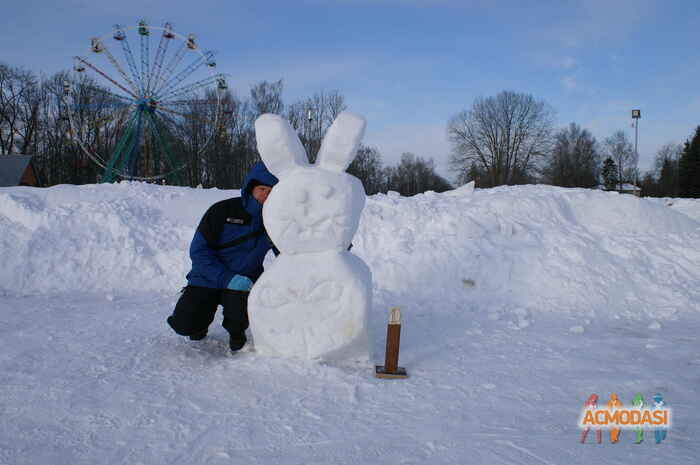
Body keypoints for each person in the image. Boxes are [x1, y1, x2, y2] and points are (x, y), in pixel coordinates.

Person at [167, 161, 278, 352]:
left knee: (238, 314)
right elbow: (199, 252)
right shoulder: (221, 211)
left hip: (244, 281)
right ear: (251, 187)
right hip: (208, 277)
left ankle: (237, 333)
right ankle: (198, 324)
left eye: (272, 191)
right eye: (262, 189)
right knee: (185, 325)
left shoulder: (276, 220)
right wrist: (227, 278)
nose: (266, 195)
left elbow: (290, 252)